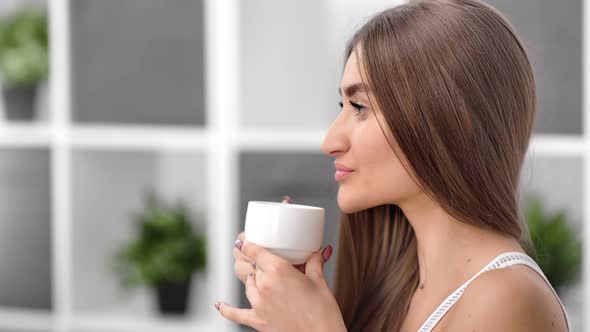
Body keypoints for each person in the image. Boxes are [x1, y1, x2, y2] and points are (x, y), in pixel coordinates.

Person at [215, 0, 571, 331]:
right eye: (342, 106)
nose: (330, 142)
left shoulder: (508, 298)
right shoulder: (397, 284)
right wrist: (294, 304)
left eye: (360, 108)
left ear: (453, 120)